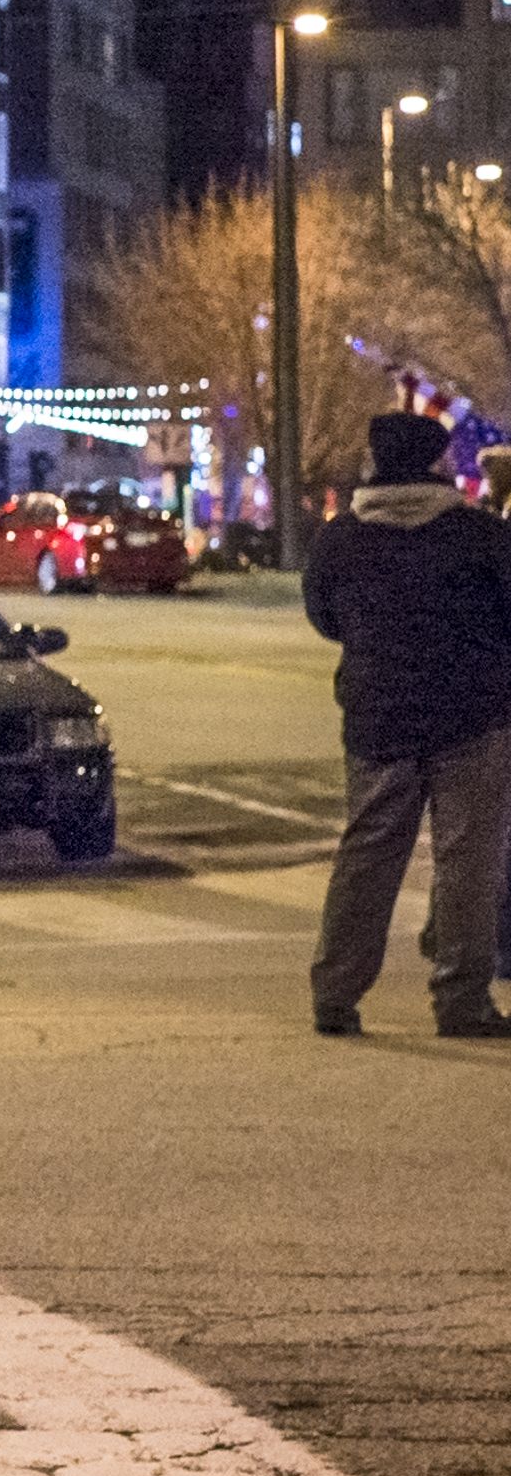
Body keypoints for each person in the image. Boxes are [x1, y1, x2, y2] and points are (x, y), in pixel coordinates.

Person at [303, 410, 511, 1038]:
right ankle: (461, 999)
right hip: (472, 717)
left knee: (367, 854)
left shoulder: (341, 539)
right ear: (438, 464)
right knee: (467, 861)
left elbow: (325, 616)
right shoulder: (479, 536)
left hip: (377, 718)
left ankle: (336, 993)